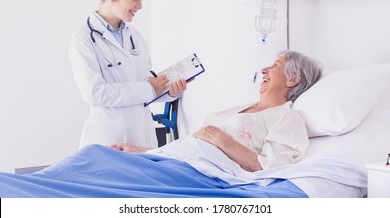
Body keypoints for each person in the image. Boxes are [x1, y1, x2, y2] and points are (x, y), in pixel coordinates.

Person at [111, 50, 323, 172]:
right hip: (177, 161)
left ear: (293, 79)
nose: (264, 70)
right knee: (97, 159)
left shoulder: (287, 118)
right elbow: (192, 147)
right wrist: (142, 151)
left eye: (275, 66)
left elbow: (270, 167)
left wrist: (222, 140)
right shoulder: (237, 109)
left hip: (198, 174)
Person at [69, 0, 188, 149]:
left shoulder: (135, 36)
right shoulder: (83, 38)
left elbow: (144, 84)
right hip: (108, 139)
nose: (139, 6)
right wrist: (149, 88)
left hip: (142, 137)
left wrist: (169, 91)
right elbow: (94, 93)